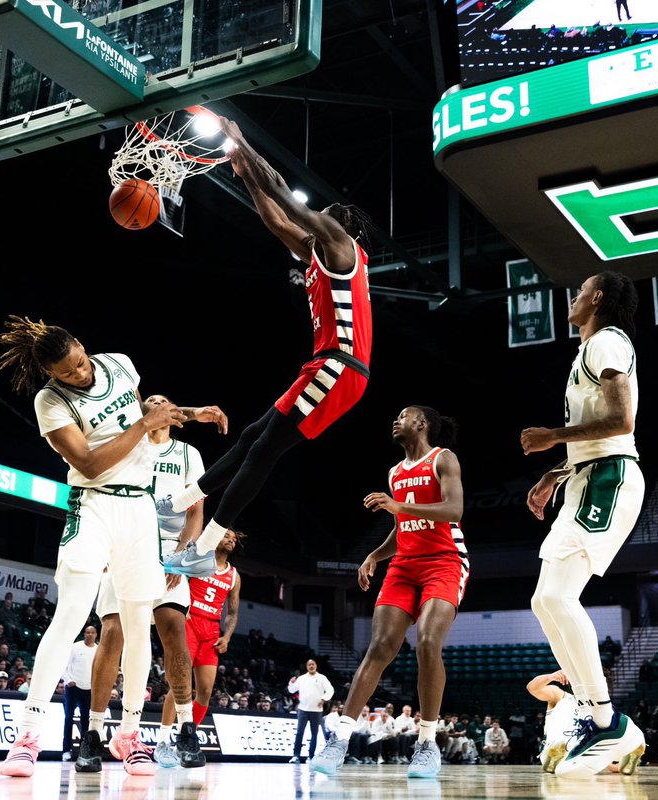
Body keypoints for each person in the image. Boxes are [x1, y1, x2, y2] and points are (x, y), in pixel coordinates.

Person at [0, 317, 226, 778]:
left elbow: (139, 413)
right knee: (70, 616)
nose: (78, 374)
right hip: (94, 505)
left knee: (140, 626)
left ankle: (130, 735)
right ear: (52, 376)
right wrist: (145, 424)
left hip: (139, 510)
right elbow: (89, 461)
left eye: (79, 363)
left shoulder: (119, 363)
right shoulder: (50, 402)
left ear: (83, 345)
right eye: (67, 373)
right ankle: (28, 736)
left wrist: (192, 412)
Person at [161, 115, 374, 578]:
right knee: (251, 438)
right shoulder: (318, 252)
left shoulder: (341, 245)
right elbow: (274, 217)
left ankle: (206, 546)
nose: (315, 216)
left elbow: (280, 190)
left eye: (324, 213)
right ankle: (176, 504)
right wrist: (244, 172)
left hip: (339, 368)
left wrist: (242, 144)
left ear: (337, 226)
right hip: (328, 367)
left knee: (263, 452)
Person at [521, 271, 645, 778]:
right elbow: (592, 437)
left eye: (578, 293)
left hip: (608, 479)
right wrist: (554, 473)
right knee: (542, 600)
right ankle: (590, 715)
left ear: (596, 299)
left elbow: (620, 421)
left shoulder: (608, 341)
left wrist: (552, 436)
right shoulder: (588, 350)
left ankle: (606, 720)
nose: (571, 300)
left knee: (556, 598)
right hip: (585, 477)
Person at [310, 406, 466, 779]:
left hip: (444, 560)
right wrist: (375, 555)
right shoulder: (395, 472)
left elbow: (455, 509)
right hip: (404, 565)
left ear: (422, 423)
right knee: (379, 647)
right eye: (394, 415)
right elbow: (403, 528)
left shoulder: (442, 458)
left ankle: (427, 744)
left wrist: (399, 505)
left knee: (428, 641)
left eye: (404, 415)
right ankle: (340, 740)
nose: (395, 420)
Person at [76, 394, 212, 773]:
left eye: (163, 400)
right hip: (121, 547)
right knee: (113, 633)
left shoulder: (187, 454)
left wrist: (182, 557)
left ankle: (186, 727)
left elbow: (196, 509)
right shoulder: (128, 442)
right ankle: (94, 732)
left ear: (172, 412)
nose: (154, 403)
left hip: (167, 554)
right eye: (147, 399)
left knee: (174, 633)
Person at [61, 625, 97, 760]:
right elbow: (62, 665)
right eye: (87, 632)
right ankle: (66, 750)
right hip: (73, 687)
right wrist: (68, 680)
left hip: (89, 689)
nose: (90, 634)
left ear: (96, 635)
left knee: (85, 719)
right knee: (68, 718)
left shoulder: (98, 650)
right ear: (84, 634)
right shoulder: (75, 647)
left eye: (92, 632)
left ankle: (85, 751)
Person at [288, 659, 333, 763]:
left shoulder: (322, 678)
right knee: (299, 733)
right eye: (309, 665)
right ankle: (296, 755)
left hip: (316, 710)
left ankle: (311, 756)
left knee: (314, 734)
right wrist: (291, 683)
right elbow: (292, 690)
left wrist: (324, 699)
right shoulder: (302, 678)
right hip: (303, 709)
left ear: (316, 666)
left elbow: (330, 690)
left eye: (313, 664)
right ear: (307, 666)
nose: (311, 666)